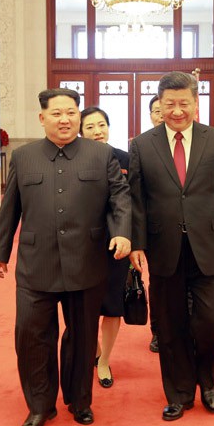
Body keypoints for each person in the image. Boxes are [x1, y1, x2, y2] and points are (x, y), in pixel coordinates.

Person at [0, 88, 131, 426]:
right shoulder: (24, 158)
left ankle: (80, 400)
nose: (65, 119)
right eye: (57, 113)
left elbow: (120, 198)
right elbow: (10, 210)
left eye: (71, 112)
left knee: (82, 337)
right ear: (42, 118)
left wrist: (122, 231)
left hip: (87, 260)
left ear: (78, 116)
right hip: (36, 263)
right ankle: (40, 406)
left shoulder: (101, 155)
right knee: (31, 335)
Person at [129, 72, 214, 421]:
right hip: (163, 245)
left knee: (211, 319)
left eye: (184, 103)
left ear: (196, 103)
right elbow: (137, 199)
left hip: (208, 244)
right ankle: (179, 392)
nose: (177, 111)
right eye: (170, 104)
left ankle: (207, 380)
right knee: (169, 323)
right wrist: (137, 242)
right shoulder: (143, 144)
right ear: (159, 105)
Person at [79, 106, 129, 389]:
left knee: (112, 306)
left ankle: (105, 359)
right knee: (83, 306)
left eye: (101, 125)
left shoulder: (124, 159)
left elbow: (133, 202)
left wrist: (133, 240)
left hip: (116, 244)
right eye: (90, 127)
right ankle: (95, 349)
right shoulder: (73, 159)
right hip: (81, 245)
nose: (97, 131)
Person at [146, 95, 164, 353]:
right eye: (157, 111)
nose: (162, 115)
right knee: (159, 285)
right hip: (155, 231)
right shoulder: (143, 146)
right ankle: (158, 331)